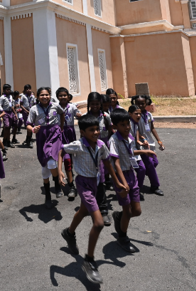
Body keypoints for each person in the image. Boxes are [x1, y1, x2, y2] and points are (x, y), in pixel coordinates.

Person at [59, 113, 124, 285]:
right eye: (91, 130)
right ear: (82, 132)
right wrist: (60, 170)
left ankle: (69, 232)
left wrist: (117, 183)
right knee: (99, 223)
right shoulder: (78, 145)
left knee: (83, 211)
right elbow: (60, 149)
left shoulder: (101, 145)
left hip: (95, 183)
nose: (96, 132)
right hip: (83, 184)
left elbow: (108, 163)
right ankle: (88, 260)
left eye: (97, 129)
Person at [108, 110, 148, 252]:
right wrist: (123, 183)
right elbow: (116, 163)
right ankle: (122, 237)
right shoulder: (113, 140)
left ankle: (118, 216)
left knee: (136, 211)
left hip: (131, 174)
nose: (126, 127)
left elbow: (130, 153)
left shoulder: (129, 137)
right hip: (121, 177)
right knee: (127, 210)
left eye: (128, 124)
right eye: (122, 125)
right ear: (115, 126)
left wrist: (144, 151)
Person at [27, 87, 65, 209]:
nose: (45, 97)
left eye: (47, 95)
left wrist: (61, 127)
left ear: (50, 95)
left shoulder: (55, 105)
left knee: (51, 161)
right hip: (42, 136)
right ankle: (48, 194)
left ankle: (57, 182)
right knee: (45, 165)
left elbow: (62, 113)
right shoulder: (34, 109)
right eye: (42, 95)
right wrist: (33, 129)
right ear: (38, 97)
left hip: (54, 134)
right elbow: (28, 124)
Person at [82, 92, 113, 227]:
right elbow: (82, 136)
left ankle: (104, 209)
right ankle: (91, 206)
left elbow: (111, 131)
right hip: (90, 151)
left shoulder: (106, 117)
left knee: (101, 180)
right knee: (90, 179)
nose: (95, 106)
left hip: (102, 149)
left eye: (97, 103)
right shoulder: (85, 118)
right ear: (89, 104)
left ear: (101, 104)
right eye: (92, 104)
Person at [56, 87, 80, 200]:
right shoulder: (56, 108)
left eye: (65, 95)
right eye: (60, 96)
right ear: (57, 97)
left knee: (72, 158)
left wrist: (81, 115)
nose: (63, 97)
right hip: (60, 133)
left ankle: (71, 175)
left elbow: (78, 114)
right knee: (66, 159)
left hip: (70, 134)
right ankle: (71, 186)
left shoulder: (72, 107)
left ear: (68, 96)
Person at [138, 95, 164, 196]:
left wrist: (159, 141)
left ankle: (139, 177)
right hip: (142, 144)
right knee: (150, 165)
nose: (140, 105)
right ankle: (155, 186)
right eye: (138, 103)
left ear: (146, 104)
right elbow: (135, 130)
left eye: (142, 103)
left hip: (151, 143)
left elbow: (152, 128)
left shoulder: (148, 115)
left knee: (154, 163)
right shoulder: (135, 116)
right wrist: (142, 139)